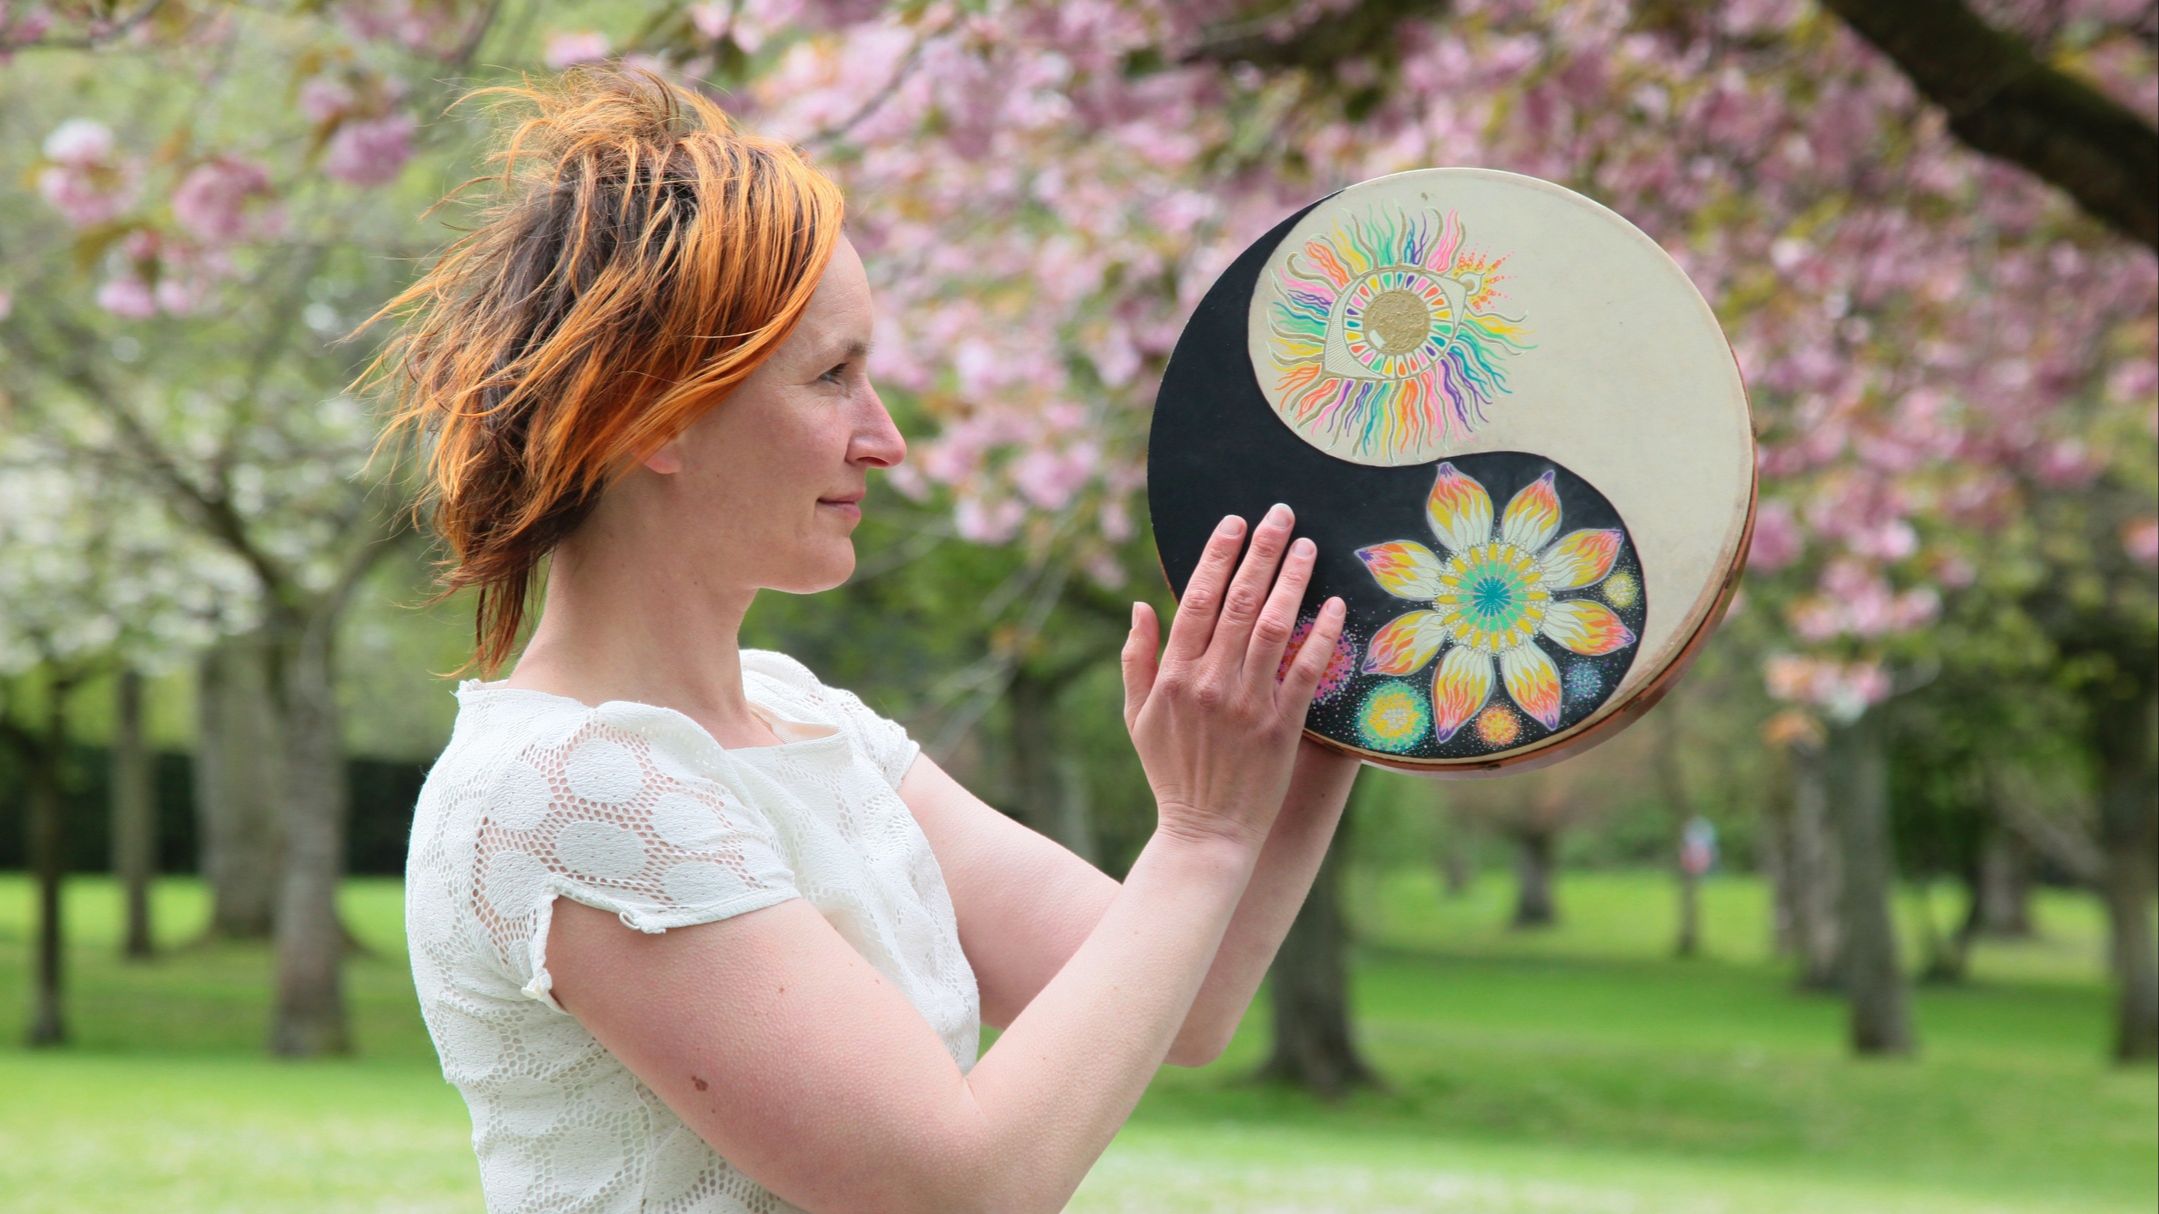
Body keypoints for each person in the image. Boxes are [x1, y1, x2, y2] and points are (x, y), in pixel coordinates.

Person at [357, 66, 1360, 1214]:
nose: (884, 440)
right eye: (832, 376)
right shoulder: (571, 786)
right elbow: (958, 1188)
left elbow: (1182, 992)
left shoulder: (801, 716)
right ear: (655, 416)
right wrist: (1199, 831)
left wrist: (1344, 696)